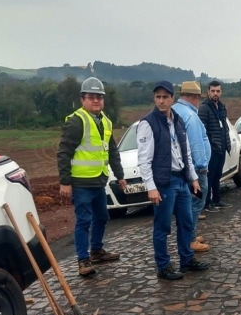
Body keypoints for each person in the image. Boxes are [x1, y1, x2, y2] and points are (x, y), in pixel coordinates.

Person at [137, 81, 210, 281]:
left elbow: (184, 153)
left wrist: (193, 178)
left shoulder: (177, 120)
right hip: (164, 183)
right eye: (158, 97)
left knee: (186, 222)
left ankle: (186, 260)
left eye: (165, 97)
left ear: (171, 99)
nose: (161, 101)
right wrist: (151, 187)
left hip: (181, 180)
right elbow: (144, 159)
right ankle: (163, 265)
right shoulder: (148, 123)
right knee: (162, 227)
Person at [57, 77, 125, 277]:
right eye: (92, 97)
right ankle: (82, 260)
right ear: (82, 99)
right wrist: (65, 181)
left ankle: (96, 251)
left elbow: (112, 151)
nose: (96, 101)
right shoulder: (77, 121)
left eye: (99, 97)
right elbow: (64, 152)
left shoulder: (106, 121)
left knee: (102, 217)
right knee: (83, 221)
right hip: (81, 183)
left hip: (99, 180)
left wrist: (120, 176)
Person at [172, 81, 211, 253]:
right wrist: (202, 166)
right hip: (195, 169)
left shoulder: (174, 111)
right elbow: (196, 144)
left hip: (181, 168)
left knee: (188, 205)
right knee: (196, 203)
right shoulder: (191, 116)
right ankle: (190, 239)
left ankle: (190, 235)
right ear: (194, 97)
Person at [198, 80, 233, 212]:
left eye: (218, 91)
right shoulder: (204, 108)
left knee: (218, 175)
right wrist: (209, 145)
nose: (215, 93)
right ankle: (207, 203)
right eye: (213, 91)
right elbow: (203, 130)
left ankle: (217, 199)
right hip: (211, 147)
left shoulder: (222, 107)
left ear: (221, 92)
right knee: (209, 176)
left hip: (221, 145)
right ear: (208, 92)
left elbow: (224, 126)